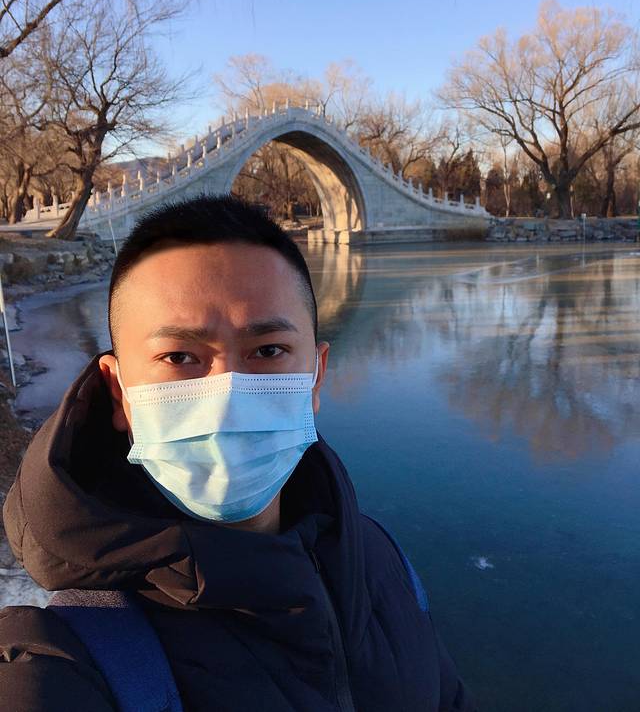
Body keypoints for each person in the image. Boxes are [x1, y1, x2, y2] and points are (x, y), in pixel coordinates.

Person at [0, 194, 477, 711]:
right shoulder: (68, 658)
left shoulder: (379, 560)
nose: (226, 395)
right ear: (119, 392)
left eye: (268, 350)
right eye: (179, 356)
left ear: (315, 375)